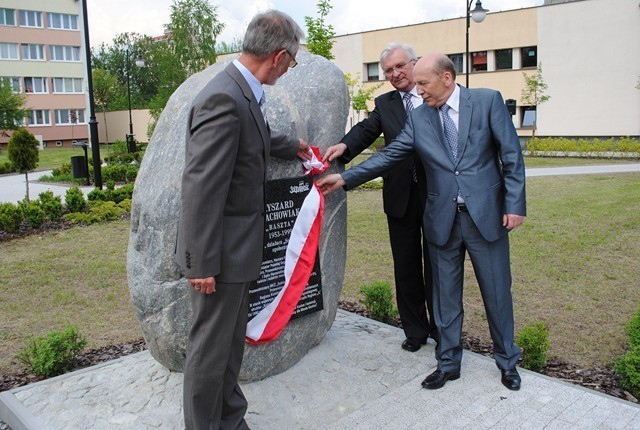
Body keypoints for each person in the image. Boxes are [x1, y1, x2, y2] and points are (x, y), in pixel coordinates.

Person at [317, 53, 526, 391]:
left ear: (447, 78)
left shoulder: (487, 101)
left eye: (424, 83)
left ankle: (507, 362)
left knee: (497, 293)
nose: (419, 89)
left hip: (485, 217)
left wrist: (514, 204)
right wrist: (346, 179)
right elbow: (389, 154)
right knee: (444, 297)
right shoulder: (420, 117)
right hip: (442, 220)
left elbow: (511, 156)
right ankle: (447, 363)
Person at [175, 10, 310, 429]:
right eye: (293, 61)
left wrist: (294, 146)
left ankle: (229, 419)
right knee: (210, 352)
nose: (289, 69)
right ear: (280, 56)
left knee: (229, 347)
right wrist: (201, 263)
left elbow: (254, 138)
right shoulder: (224, 96)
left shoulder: (240, 90)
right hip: (220, 257)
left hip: (236, 252)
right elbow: (201, 187)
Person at [323, 43, 436, 352]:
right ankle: (415, 330)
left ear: (415, 63)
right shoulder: (385, 103)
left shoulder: (434, 94)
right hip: (400, 197)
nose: (395, 73)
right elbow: (366, 129)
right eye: (388, 70)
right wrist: (344, 147)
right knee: (406, 266)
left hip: (436, 195)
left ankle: (443, 330)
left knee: (438, 266)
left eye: (400, 66)